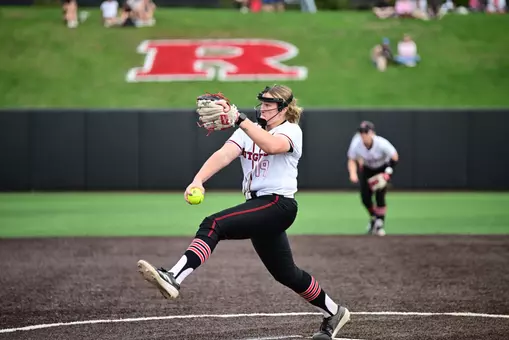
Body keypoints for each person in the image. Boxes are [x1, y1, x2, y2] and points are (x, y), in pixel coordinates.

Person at [138, 85, 351, 340]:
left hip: (279, 204)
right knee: (286, 273)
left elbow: (272, 145)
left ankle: (174, 276)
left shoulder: (291, 130)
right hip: (261, 207)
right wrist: (198, 180)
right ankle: (334, 312)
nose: (263, 107)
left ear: (284, 108)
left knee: (214, 224)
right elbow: (224, 154)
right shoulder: (248, 131)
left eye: (269, 104)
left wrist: (240, 120)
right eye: (262, 103)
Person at [347, 121, 399, 236]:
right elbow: (351, 159)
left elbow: (395, 157)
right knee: (365, 198)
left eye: (366, 131)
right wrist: (353, 173)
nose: (363, 134)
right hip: (367, 169)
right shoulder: (356, 143)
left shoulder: (381, 143)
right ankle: (374, 217)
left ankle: (379, 223)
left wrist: (387, 173)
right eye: (361, 132)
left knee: (380, 195)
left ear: (372, 133)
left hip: (382, 168)